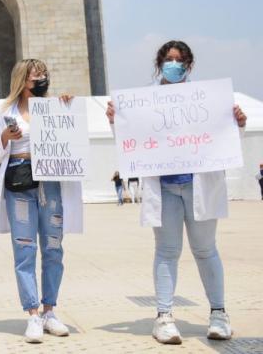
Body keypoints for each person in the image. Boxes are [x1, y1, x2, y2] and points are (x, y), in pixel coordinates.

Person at [106, 40, 247, 344]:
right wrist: (115, 120)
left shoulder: (209, 101)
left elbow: (225, 139)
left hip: (199, 184)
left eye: (180, 60)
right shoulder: (145, 102)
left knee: (206, 250)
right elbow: (132, 142)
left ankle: (219, 314)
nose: (174, 64)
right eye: (169, 59)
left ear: (189, 65)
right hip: (166, 187)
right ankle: (164, 316)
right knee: (167, 252)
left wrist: (238, 124)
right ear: (160, 64)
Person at [0, 59, 82, 344]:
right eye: (34, 75)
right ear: (21, 80)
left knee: (53, 248)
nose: (40, 79)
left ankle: (50, 310)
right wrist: (5, 136)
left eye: (43, 74)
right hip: (19, 183)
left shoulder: (56, 107)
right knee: (24, 250)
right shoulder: (6, 112)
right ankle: (32, 313)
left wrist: (68, 105)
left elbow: (74, 139)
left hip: (50, 183)